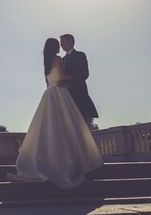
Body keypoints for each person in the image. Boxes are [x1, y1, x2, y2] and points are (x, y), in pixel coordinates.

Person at [7, 38, 103, 189]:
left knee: (49, 129)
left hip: (49, 94)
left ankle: (49, 162)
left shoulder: (46, 63)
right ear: (54, 47)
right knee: (69, 128)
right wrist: (71, 79)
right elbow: (63, 76)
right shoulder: (58, 59)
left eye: (62, 42)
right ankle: (74, 163)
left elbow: (47, 82)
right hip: (60, 93)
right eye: (58, 44)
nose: (60, 46)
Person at [59, 34, 99, 126]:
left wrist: (68, 79)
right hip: (66, 96)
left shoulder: (80, 55)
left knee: (83, 125)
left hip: (79, 95)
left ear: (70, 42)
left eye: (63, 42)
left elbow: (85, 74)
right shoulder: (62, 60)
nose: (61, 45)